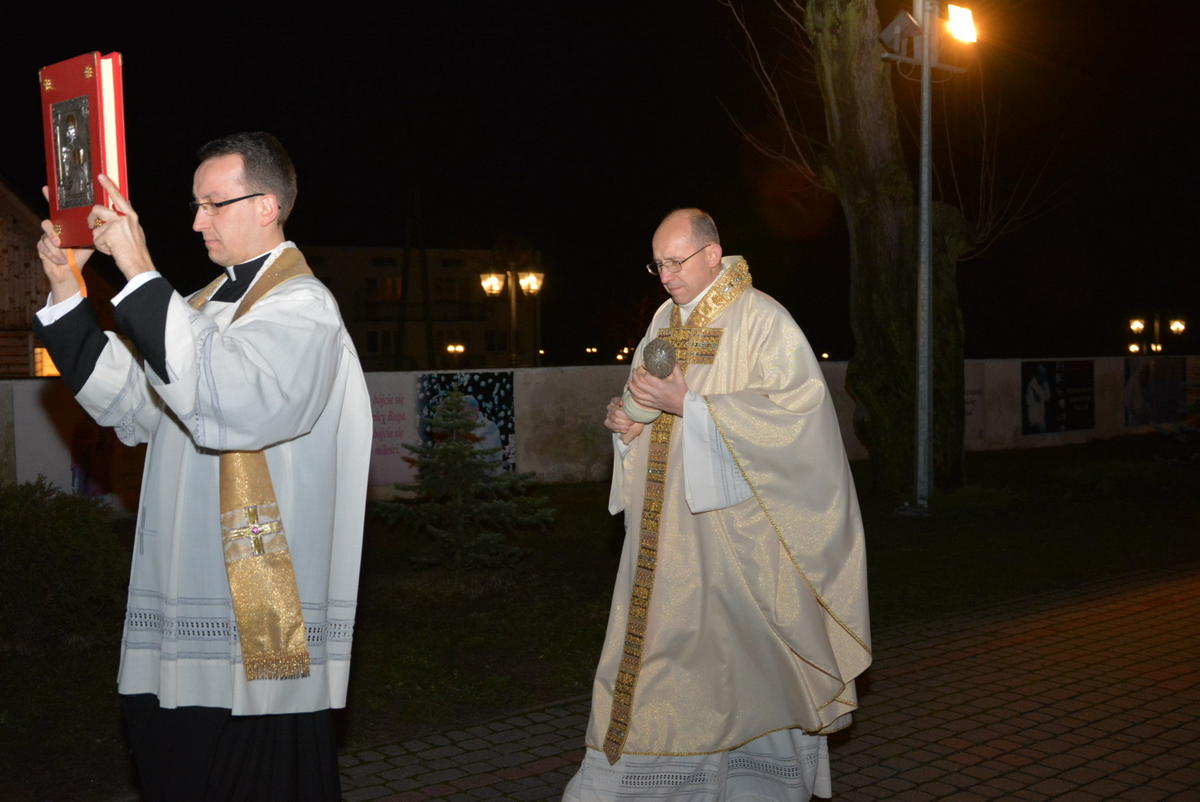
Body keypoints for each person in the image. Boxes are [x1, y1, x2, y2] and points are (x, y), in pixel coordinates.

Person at [33, 131, 371, 800]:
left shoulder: (305, 308)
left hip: (256, 607)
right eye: (195, 205)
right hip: (184, 582)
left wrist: (138, 268)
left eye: (213, 204)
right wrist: (67, 284)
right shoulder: (198, 306)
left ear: (267, 205)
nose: (196, 221)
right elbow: (131, 403)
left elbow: (232, 399)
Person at [564, 209, 871, 801]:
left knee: (745, 670)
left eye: (675, 261)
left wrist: (692, 405)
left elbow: (799, 425)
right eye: (657, 264)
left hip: (738, 544)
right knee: (661, 670)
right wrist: (627, 424)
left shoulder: (763, 320)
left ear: (712, 254)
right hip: (663, 539)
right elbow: (646, 399)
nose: (665, 276)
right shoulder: (663, 320)